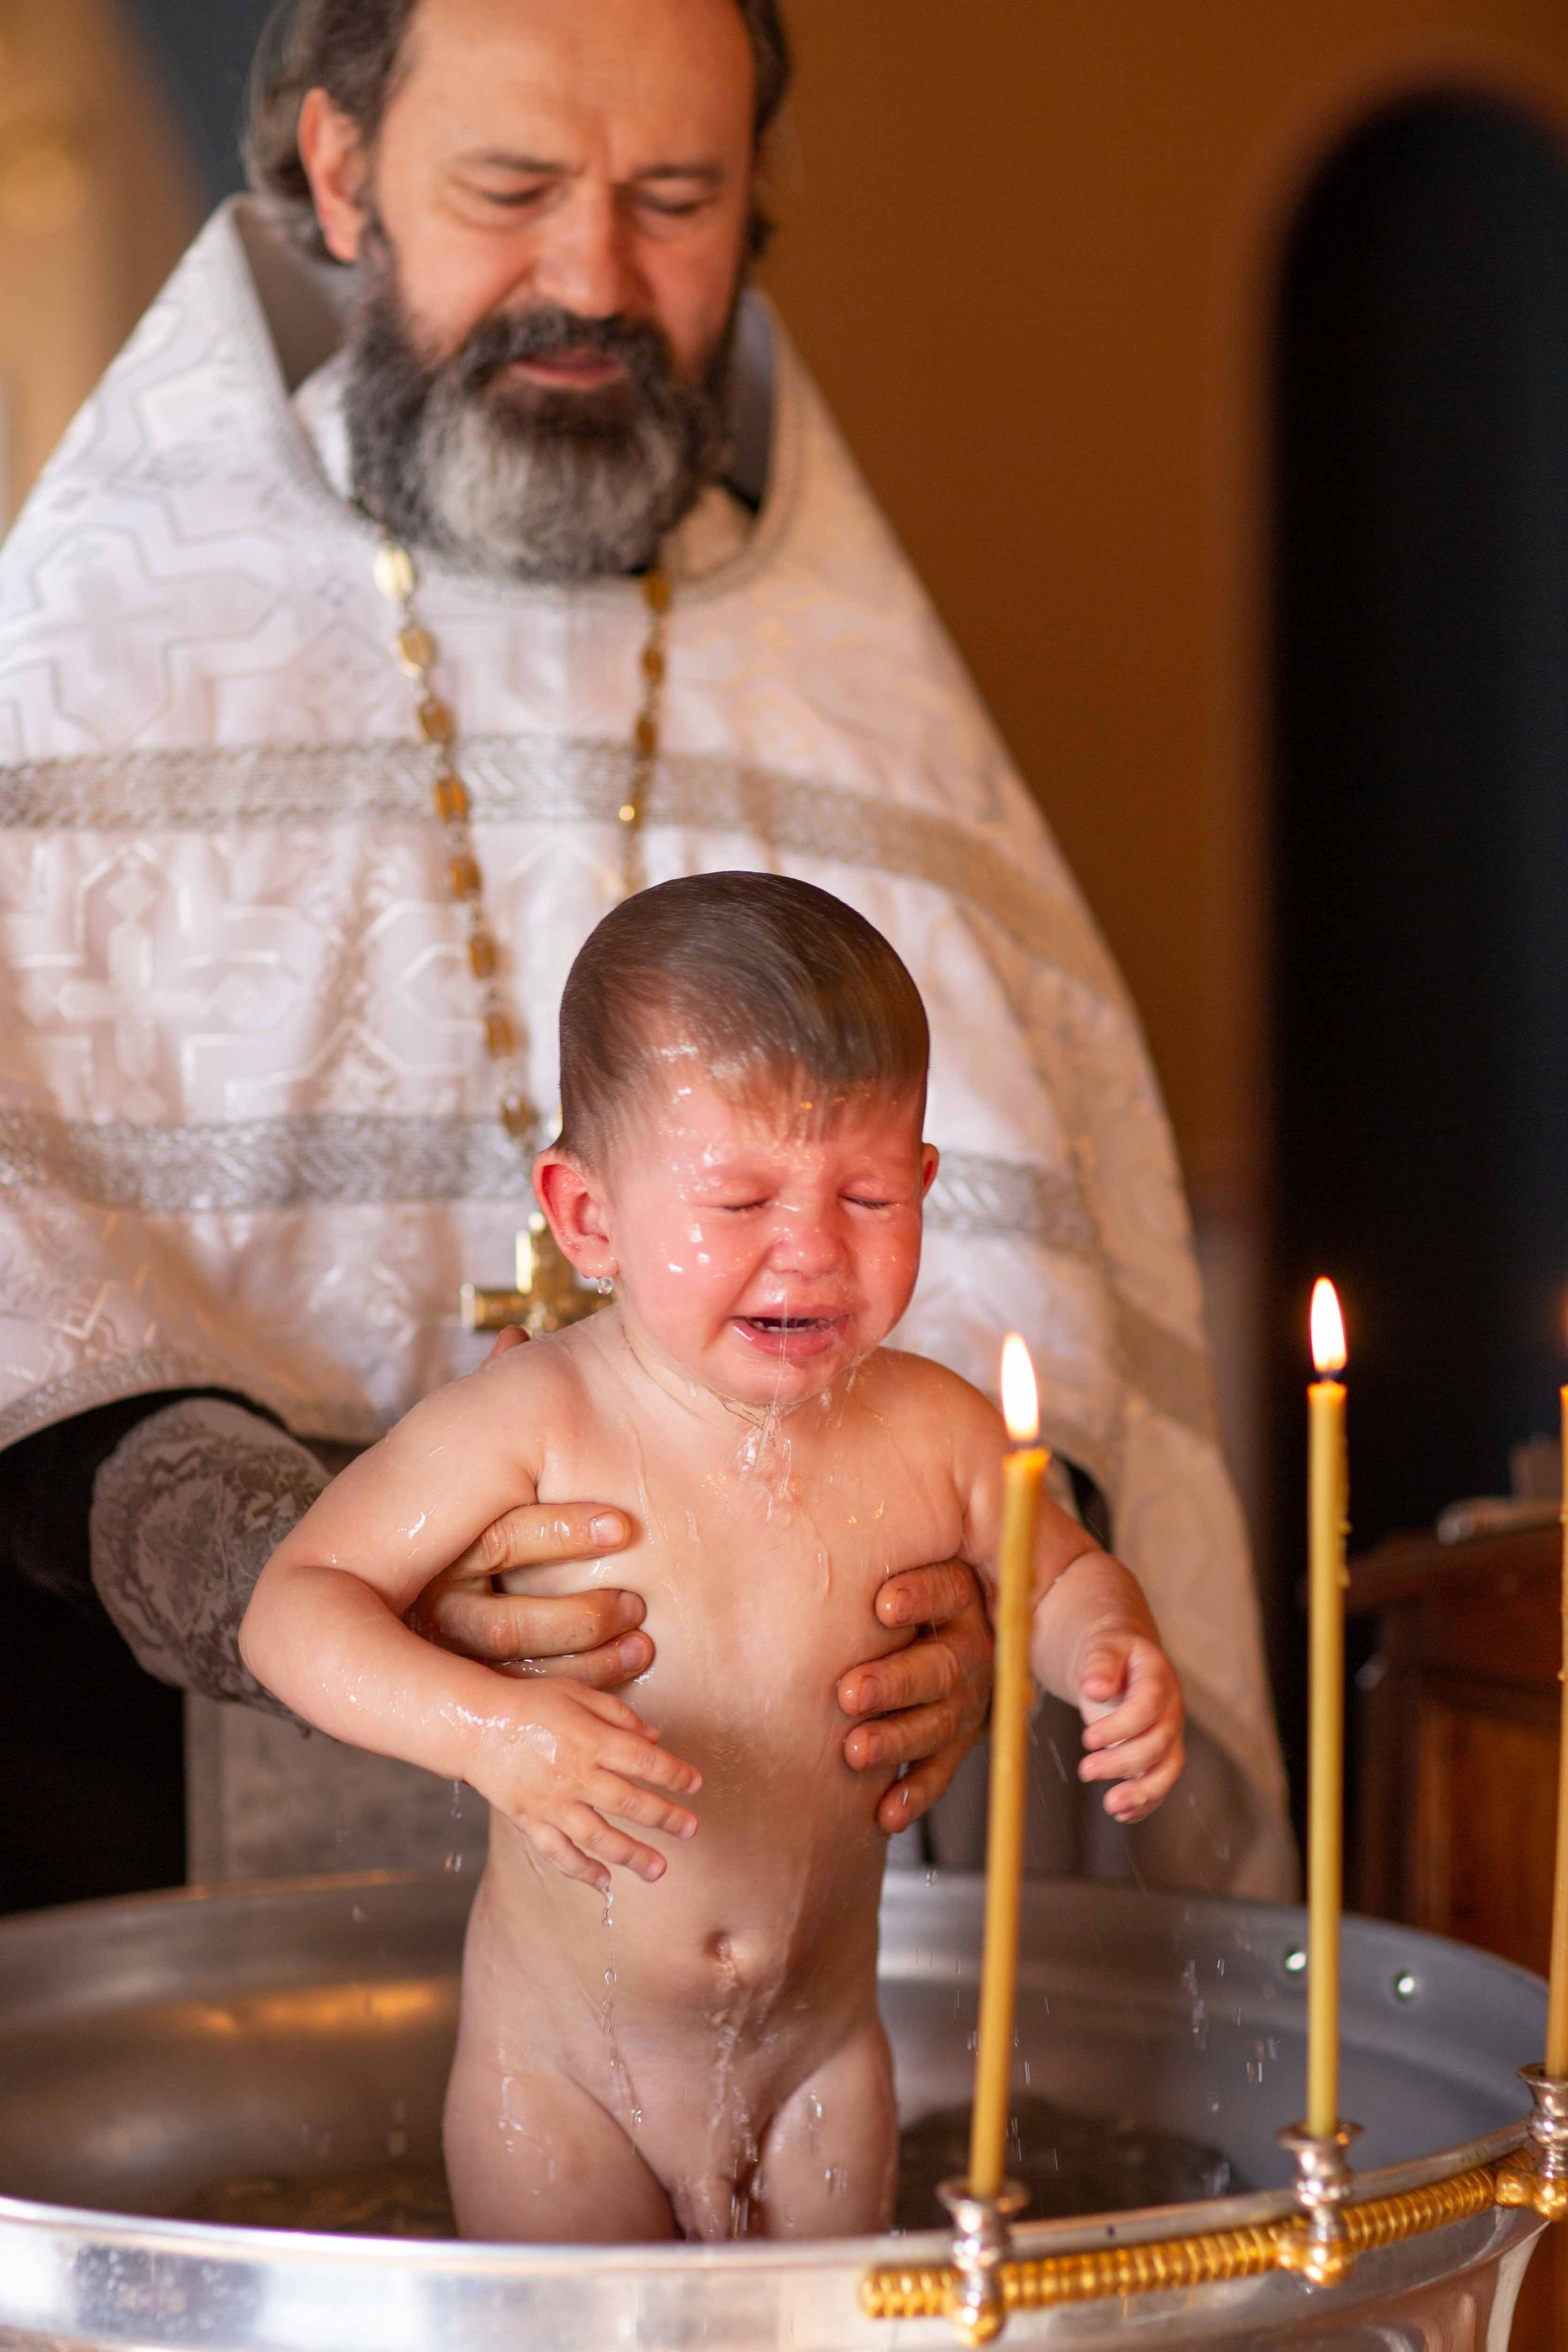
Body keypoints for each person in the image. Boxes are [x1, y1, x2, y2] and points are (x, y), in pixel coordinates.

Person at [0, 0, 1287, 1899]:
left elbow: (1044, 1318)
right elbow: (26, 1297)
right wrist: (297, 1573)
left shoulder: (856, 712)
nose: (594, 278)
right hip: (150, 1839)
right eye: (511, 186)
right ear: (342, 175)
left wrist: (977, 1608)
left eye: (675, 200)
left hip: (760, 1869)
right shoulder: (95, 656)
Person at [241, 874, 1185, 2242]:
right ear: (587, 1217)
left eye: (869, 1193)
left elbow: (1057, 1575)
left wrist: (1111, 1651)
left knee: (830, 2331)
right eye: (740, 1201)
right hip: (561, 2075)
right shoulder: (535, 1420)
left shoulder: (933, 1428)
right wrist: (491, 1733)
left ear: (927, 1183)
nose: (811, 1250)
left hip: (818, 2058)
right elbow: (295, 1608)